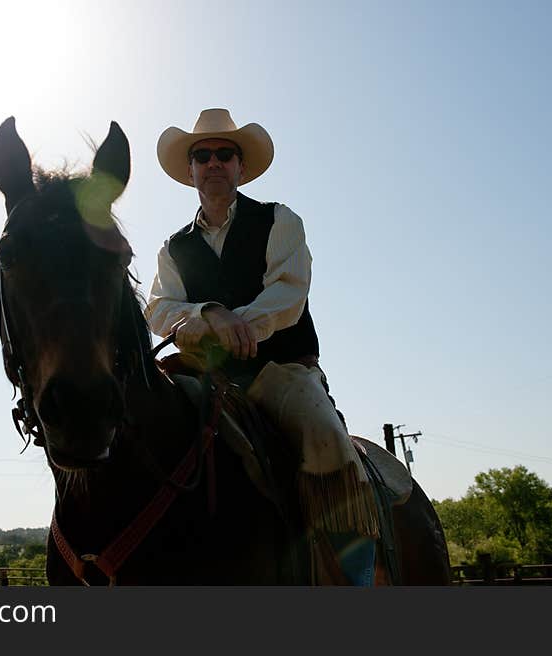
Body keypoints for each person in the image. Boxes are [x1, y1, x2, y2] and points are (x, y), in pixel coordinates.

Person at [145, 108, 379, 585]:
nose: (213, 162)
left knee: (326, 440)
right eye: (202, 155)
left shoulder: (279, 221)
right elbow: (158, 309)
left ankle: (355, 582)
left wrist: (235, 324)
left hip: (281, 372)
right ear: (189, 171)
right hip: (205, 378)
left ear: (241, 167)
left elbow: (288, 295)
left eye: (224, 154)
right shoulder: (173, 248)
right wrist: (209, 312)